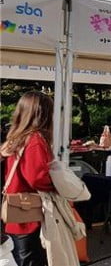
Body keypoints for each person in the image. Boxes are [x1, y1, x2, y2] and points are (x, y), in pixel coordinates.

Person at [1, 91, 56, 266]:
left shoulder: (16, 137)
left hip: (16, 212)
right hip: (29, 214)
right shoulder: (35, 139)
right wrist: (58, 185)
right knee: (31, 259)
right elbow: (37, 178)